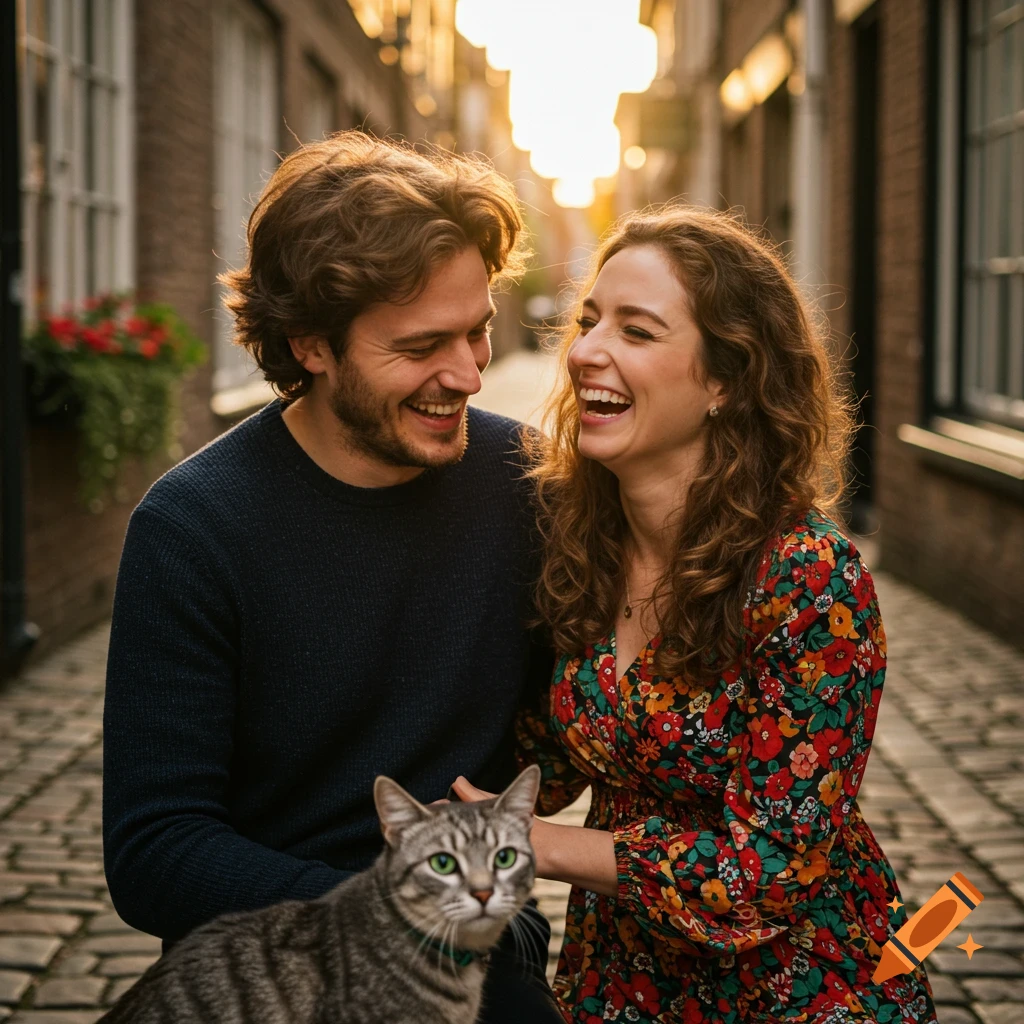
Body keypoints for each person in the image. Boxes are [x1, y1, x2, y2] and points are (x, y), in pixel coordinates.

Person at [102, 132, 562, 1022]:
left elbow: (588, 733)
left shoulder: (530, 491)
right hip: (266, 973)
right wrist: (401, 918)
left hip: (472, 967)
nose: (468, 375)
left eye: (479, 333)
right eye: (424, 344)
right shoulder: (192, 529)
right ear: (311, 343)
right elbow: (157, 852)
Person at [451, 207, 938, 1023]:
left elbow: (768, 874)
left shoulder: (809, 578)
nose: (587, 352)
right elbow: (538, 761)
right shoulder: (576, 539)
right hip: (621, 984)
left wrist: (530, 848)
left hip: (802, 991)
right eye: (589, 320)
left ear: (726, 379)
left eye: (637, 332)